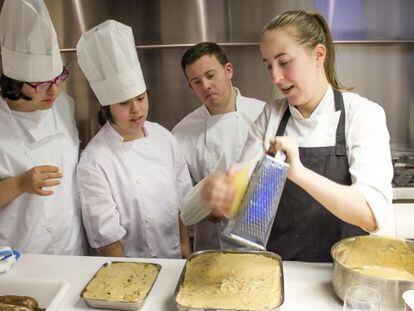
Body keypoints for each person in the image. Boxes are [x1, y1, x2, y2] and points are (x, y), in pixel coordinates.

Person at [201, 10, 393, 262]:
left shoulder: (363, 115)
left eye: (284, 62)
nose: (275, 77)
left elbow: (371, 215)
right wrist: (223, 198)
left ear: (318, 55)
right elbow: (244, 198)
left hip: (342, 273)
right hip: (281, 271)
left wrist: (299, 172)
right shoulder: (270, 116)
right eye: (268, 65)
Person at [76, 20, 192, 258]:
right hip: (130, 270)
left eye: (140, 98)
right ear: (107, 106)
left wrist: (184, 249)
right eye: (124, 103)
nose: (136, 110)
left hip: (174, 261)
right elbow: (107, 239)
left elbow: (183, 204)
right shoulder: (94, 161)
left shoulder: (163, 138)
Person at [0, 0, 85, 254]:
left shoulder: (64, 105)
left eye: (58, 78)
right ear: (13, 82)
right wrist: (19, 185)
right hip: (19, 257)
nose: (54, 90)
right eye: (41, 84)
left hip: (72, 252)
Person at [172, 42, 265, 251]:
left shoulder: (263, 115)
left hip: (264, 244)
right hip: (211, 248)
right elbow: (179, 201)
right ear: (190, 86)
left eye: (210, 75)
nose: (205, 85)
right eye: (197, 81)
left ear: (228, 70)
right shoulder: (180, 134)